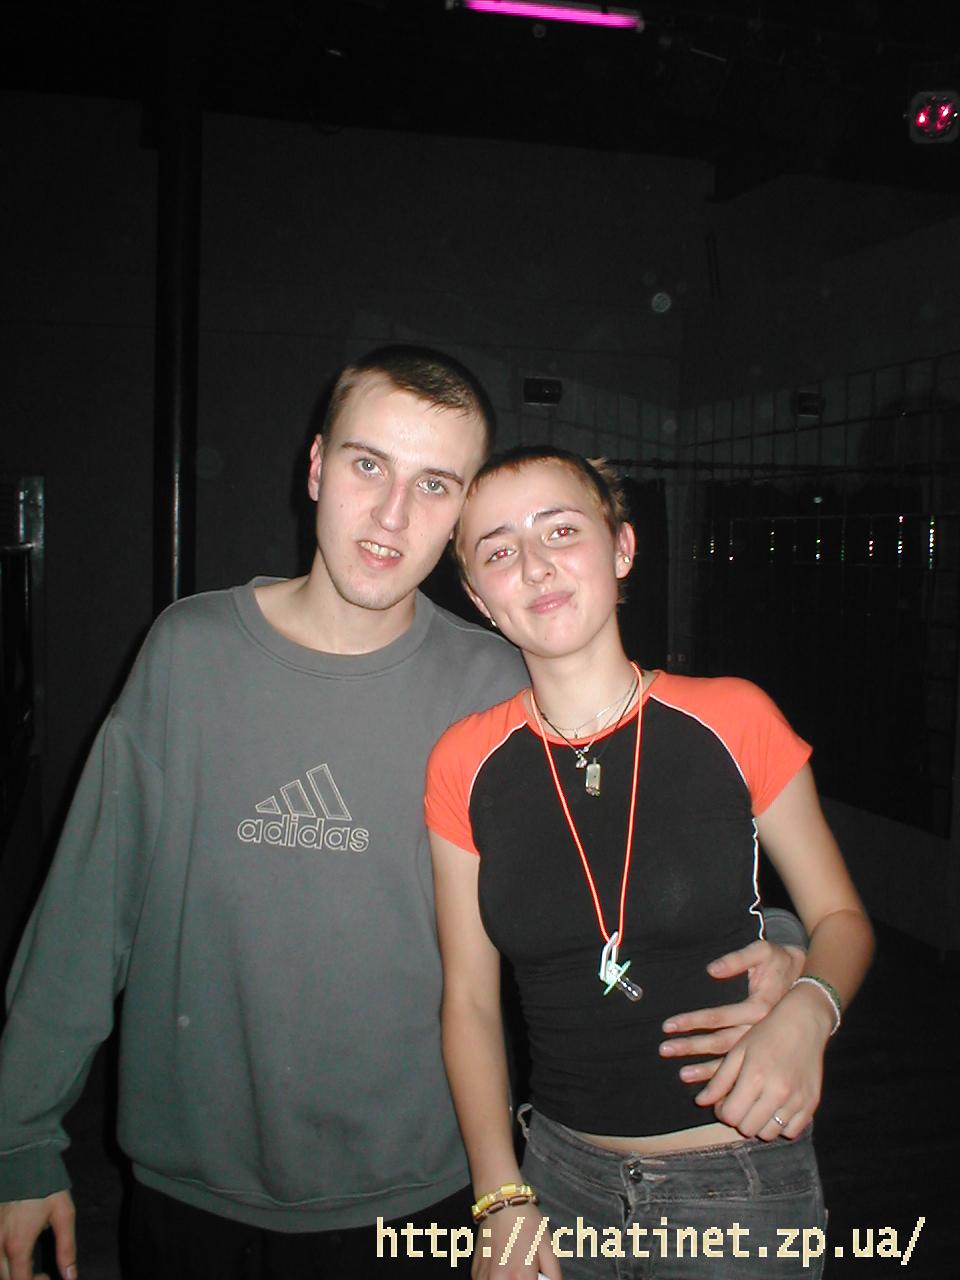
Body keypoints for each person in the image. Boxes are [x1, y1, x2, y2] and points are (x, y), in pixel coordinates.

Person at [1, 352, 804, 1280]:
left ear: (461, 517)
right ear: (315, 467)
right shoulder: (188, 654)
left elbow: (642, 849)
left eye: (434, 484)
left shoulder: (494, 687)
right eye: (367, 464)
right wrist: (19, 1135)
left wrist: (783, 944)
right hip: (192, 1194)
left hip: (422, 1193)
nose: (392, 515)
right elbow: (86, 911)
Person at [426, 445, 874, 1279]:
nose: (534, 564)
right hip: (556, 1180)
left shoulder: (734, 716)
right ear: (480, 598)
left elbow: (841, 919)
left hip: (740, 1181)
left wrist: (810, 1009)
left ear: (622, 548)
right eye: (498, 549)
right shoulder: (464, 762)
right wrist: (500, 1195)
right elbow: (470, 1003)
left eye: (561, 530)